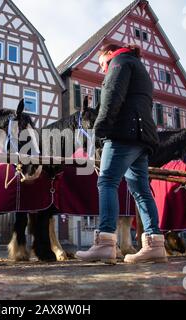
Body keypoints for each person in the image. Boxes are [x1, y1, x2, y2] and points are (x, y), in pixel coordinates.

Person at [76, 43, 168, 264]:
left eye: (102, 64)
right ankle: (155, 245)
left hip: (123, 133)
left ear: (109, 53)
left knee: (107, 182)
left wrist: (99, 130)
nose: (103, 69)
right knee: (141, 191)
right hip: (142, 137)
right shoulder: (138, 67)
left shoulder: (119, 62)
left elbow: (111, 96)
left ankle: (105, 243)